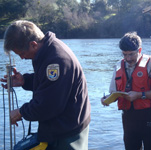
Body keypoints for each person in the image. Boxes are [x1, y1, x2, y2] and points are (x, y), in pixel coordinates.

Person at [1, 20, 91, 150]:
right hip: (62, 126)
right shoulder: (47, 50)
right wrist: (25, 81)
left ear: (33, 44)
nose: (22, 58)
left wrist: (21, 112)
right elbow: (50, 84)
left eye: (21, 53)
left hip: (68, 132)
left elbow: (48, 105)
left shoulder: (57, 61)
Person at [101, 32, 151, 150]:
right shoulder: (118, 66)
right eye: (124, 54)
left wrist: (139, 95)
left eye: (131, 54)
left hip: (150, 117)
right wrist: (106, 99)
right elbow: (114, 93)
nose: (128, 58)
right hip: (129, 120)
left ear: (140, 50)